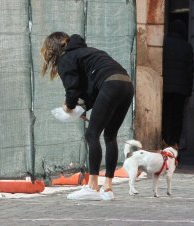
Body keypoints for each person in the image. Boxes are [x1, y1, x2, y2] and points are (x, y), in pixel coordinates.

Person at [40, 32, 134, 200]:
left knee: (91, 134)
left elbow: (73, 89)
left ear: (52, 49)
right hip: (126, 84)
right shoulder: (88, 52)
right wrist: (82, 108)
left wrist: (69, 106)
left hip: (110, 85)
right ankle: (108, 188)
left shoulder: (67, 58)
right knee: (110, 135)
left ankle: (92, 186)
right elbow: (93, 88)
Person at [162, 19, 194, 149]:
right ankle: (174, 143)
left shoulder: (164, 43)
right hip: (180, 90)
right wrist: (189, 90)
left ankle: (164, 141)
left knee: (165, 115)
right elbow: (190, 70)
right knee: (177, 117)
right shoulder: (187, 46)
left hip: (165, 87)